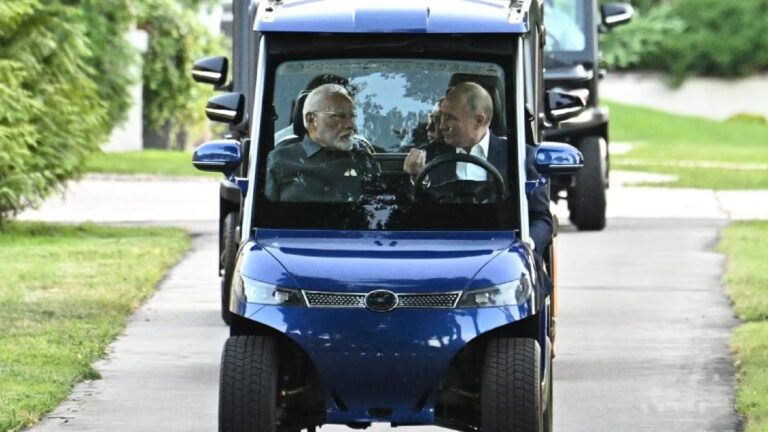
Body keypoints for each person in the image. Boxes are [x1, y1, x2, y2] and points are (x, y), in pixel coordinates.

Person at [403, 81, 553, 254]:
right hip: (438, 251)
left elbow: (541, 219)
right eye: (441, 116)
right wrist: (415, 179)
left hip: (502, 253)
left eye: (450, 117)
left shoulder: (520, 156)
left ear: (478, 120)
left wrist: (525, 248)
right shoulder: (427, 156)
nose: (442, 126)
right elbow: (408, 216)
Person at [265, 84, 382, 202]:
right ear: (311, 120)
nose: (351, 125)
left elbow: (377, 209)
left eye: (352, 116)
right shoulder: (280, 159)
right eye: (341, 116)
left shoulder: (363, 160)